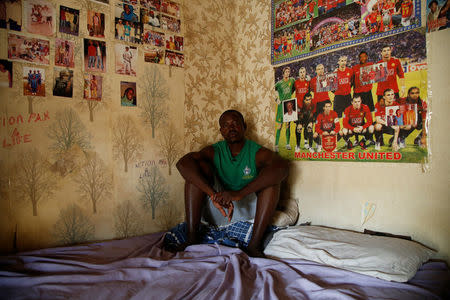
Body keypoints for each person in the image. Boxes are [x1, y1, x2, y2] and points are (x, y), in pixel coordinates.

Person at [174, 110, 289, 257]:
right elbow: (183, 164)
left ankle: (254, 246)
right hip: (221, 207)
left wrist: (238, 194)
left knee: (272, 182)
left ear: (244, 126)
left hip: (248, 208)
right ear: (221, 131)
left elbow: (282, 168)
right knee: (196, 173)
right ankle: (192, 238)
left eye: (235, 123)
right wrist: (213, 195)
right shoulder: (214, 151)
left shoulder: (257, 152)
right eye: (226, 125)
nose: (231, 128)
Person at [274, 67, 295, 151]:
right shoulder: (279, 83)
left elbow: (294, 88)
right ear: (283, 74)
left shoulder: (292, 80)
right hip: (281, 106)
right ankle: (276, 145)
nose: (287, 73)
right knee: (279, 126)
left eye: (288, 72)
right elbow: (270, 90)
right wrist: (276, 99)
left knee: (288, 125)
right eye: (286, 72)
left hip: (289, 105)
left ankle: (287, 144)